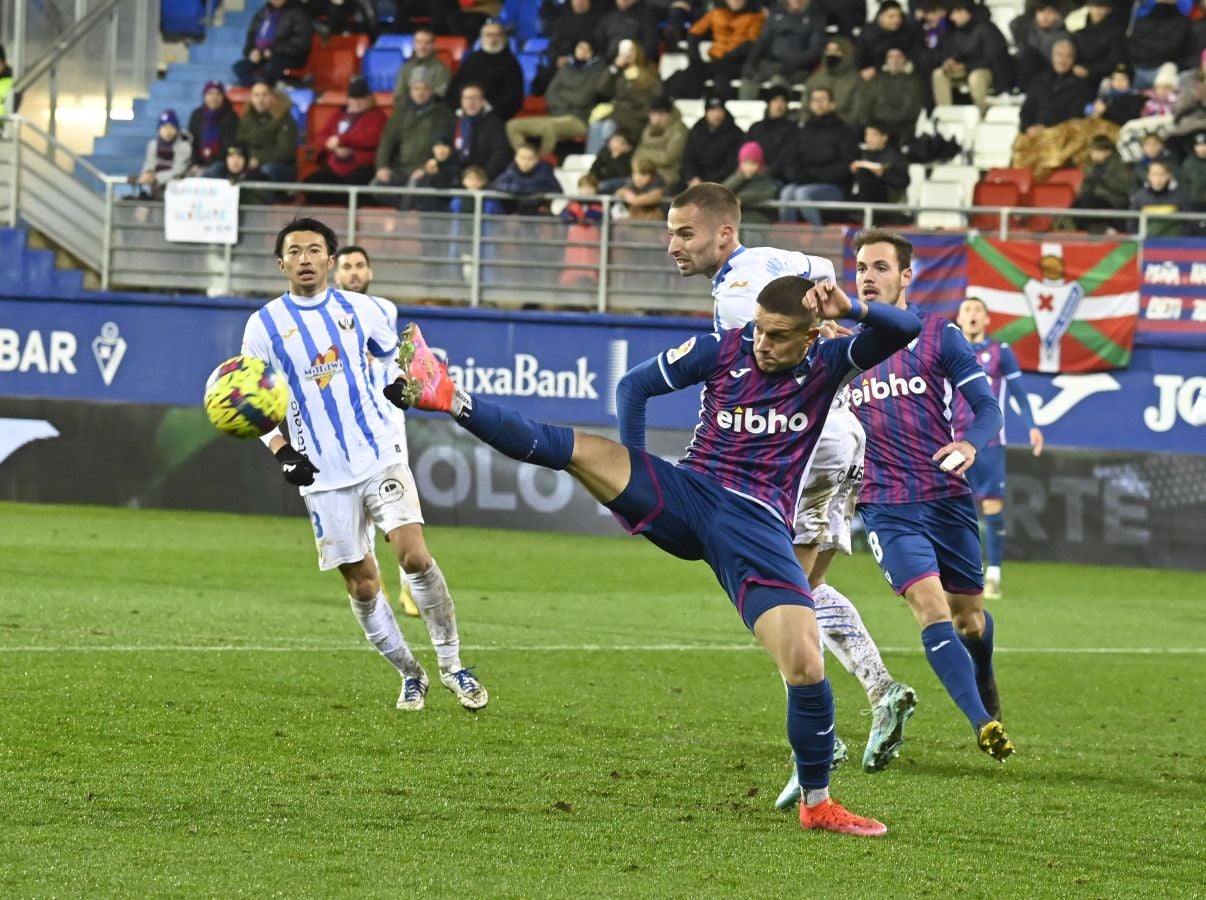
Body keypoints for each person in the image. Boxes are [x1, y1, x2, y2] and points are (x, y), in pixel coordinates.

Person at [385, 261, 924, 838]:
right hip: (689, 493)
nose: (762, 343)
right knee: (574, 448)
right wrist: (637, 464)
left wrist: (853, 308)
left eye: (777, 334)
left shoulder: (831, 361)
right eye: (759, 328)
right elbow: (633, 386)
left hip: (756, 524)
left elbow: (906, 328)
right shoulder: (723, 348)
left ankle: (817, 804)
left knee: (805, 662)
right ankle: (447, 396)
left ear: (811, 335)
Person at [666, 182, 919, 797]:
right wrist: (826, 322)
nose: (673, 245)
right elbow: (823, 271)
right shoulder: (775, 259)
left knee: (780, 598)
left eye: (685, 233)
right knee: (804, 588)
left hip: (801, 442)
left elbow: (759, 374)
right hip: (842, 434)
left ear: (724, 232)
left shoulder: (739, 297)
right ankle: (881, 690)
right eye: (671, 233)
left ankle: (823, 740)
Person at [240, 218, 487, 711]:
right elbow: (250, 400)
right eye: (295, 251)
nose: (305, 258)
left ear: (329, 260)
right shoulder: (262, 326)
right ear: (281, 263)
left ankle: (453, 666)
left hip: (378, 453)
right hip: (321, 474)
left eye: (315, 250)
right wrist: (282, 451)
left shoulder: (362, 309)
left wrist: (398, 383)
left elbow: (393, 358)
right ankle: (410, 673)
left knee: (414, 557)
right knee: (363, 583)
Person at [844, 227, 1013, 761]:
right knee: (930, 608)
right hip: (885, 503)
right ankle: (983, 722)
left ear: (906, 276)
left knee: (969, 619)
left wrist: (969, 443)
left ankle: (983, 672)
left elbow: (988, 409)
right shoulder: (841, 348)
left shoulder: (940, 335)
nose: (868, 277)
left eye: (880, 267)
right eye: (861, 268)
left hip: (944, 495)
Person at [331, 243, 437, 619]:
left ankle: (412, 589)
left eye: (360, 265)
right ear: (336, 273)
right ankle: (376, 585)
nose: (354, 272)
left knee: (400, 507)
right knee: (358, 510)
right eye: (347, 266)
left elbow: (392, 357)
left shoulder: (383, 309)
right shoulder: (323, 315)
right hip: (346, 423)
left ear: (370, 272)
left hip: (388, 421)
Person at [952, 297, 1043, 602]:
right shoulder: (948, 348)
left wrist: (1032, 426)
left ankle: (994, 575)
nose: (972, 314)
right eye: (967, 309)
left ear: (986, 319)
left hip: (989, 442)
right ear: (959, 318)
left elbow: (1019, 393)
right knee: (953, 507)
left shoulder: (1000, 351)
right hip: (953, 441)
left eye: (978, 310)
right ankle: (965, 572)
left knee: (991, 507)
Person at [505, 39, 606, 157]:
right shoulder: (566, 68)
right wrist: (567, 101)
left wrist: (562, 95)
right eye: (580, 48)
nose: (582, 51)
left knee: (548, 129)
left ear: (592, 53)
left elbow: (582, 99)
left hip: (578, 120)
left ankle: (539, 161)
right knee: (512, 125)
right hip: (554, 116)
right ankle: (526, 158)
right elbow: (550, 95)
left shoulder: (596, 73)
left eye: (586, 49)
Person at [777, 86, 859, 225]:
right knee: (787, 193)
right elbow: (792, 158)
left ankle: (818, 232)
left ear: (832, 104)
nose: (818, 103)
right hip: (806, 181)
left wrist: (814, 175)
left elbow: (846, 165)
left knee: (803, 194)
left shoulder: (844, 131)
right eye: (815, 100)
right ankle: (788, 233)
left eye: (822, 99)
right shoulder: (803, 129)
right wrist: (798, 175)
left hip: (835, 186)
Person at [373, 72, 456, 207]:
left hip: (427, 170)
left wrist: (426, 168)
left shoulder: (443, 114)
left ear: (432, 90)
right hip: (401, 168)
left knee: (413, 189)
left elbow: (444, 145)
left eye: (425, 88)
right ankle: (403, 210)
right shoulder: (400, 112)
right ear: (410, 90)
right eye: (416, 88)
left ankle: (403, 216)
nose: (420, 92)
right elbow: (387, 141)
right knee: (375, 186)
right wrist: (382, 166)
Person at [303, 76, 387, 202]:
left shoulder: (377, 116)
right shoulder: (341, 114)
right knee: (310, 185)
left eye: (361, 99)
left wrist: (341, 140)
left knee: (350, 189)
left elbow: (371, 138)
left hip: (363, 166)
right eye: (353, 99)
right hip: (337, 165)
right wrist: (333, 146)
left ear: (369, 98)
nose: (357, 103)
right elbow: (322, 135)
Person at [738, 0, 826, 102]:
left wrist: (794, 63)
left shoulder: (816, 18)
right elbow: (762, 41)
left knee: (778, 80)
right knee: (749, 77)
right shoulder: (776, 14)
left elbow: (815, 51)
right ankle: (746, 109)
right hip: (772, 62)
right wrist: (751, 62)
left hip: (798, 68)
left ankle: (778, 110)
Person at [447, 20, 525, 123]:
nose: (493, 39)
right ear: (482, 38)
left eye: (498, 35)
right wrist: (459, 109)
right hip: (463, 116)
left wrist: (488, 110)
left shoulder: (511, 64)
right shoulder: (472, 60)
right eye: (489, 35)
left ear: (504, 38)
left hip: (495, 118)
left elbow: (513, 98)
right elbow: (454, 88)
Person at [233, 0, 314, 87]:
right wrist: (251, 50)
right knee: (239, 68)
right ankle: (259, 84)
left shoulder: (298, 13)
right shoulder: (263, 12)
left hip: (289, 57)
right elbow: (252, 35)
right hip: (263, 55)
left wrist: (273, 49)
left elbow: (301, 43)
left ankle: (261, 85)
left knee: (271, 68)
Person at [234, 80, 299, 183]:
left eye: (264, 95)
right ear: (251, 98)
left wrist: (259, 159)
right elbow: (239, 143)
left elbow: (285, 153)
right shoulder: (247, 119)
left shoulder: (284, 119)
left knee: (267, 169)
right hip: (250, 162)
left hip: (280, 167)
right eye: (256, 95)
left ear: (273, 97)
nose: (260, 99)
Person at [133, 109, 192, 200]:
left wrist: (156, 178)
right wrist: (147, 173)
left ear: (177, 130)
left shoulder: (184, 146)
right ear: (159, 129)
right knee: (142, 205)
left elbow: (179, 170)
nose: (168, 131)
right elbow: (149, 163)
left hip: (177, 191)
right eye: (164, 127)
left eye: (171, 127)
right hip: (155, 188)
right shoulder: (153, 145)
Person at [187, 81, 239, 176]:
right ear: (204, 96)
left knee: (210, 172)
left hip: (221, 161)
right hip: (198, 162)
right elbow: (191, 141)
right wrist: (195, 163)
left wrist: (207, 164)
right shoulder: (196, 115)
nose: (214, 98)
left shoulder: (231, 117)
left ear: (223, 97)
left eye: (218, 94)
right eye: (210, 94)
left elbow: (229, 145)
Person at [393, 27, 452, 103]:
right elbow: (399, 95)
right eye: (419, 42)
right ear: (413, 44)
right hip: (408, 108)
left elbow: (440, 95)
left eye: (427, 43)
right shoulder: (405, 68)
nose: (422, 47)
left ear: (433, 45)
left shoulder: (442, 69)